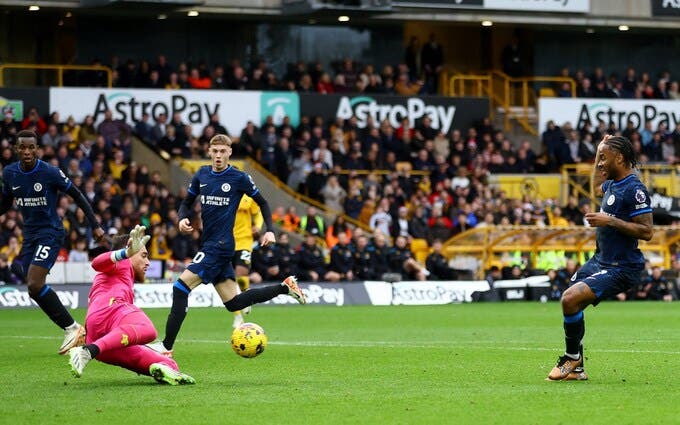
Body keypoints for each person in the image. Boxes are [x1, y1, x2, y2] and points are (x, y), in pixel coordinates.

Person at [148, 134, 306, 357]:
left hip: (219, 246)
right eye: (215, 151)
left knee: (180, 287)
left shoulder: (239, 178)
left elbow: (262, 202)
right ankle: (285, 287)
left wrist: (269, 229)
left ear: (230, 152)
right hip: (210, 243)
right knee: (233, 303)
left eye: (223, 151)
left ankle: (166, 347)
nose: (219, 156)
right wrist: (182, 218)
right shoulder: (202, 174)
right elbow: (186, 202)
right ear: (209, 152)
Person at [547, 135, 653, 381]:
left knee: (569, 298)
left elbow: (647, 232)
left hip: (622, 267)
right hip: (601, 260)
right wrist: (597, 151)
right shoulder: (612, 184)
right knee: (571, 302)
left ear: (620, 157)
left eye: (604, 158)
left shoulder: (634, 189)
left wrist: (610, 221)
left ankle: (572, 359)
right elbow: (596, 185)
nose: (600, 164)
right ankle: (578, 368)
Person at [0, 130, 105, 355]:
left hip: (51, 232)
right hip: (29, 236)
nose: (27, 152)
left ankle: (72, 329)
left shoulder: (49, 172)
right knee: (30, 285)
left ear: (37, 148)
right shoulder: (9, 173)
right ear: (16, 149)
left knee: (35, 284)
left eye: (31, 147)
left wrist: (94, 225)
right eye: (23, 147)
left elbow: (77, 195)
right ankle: (74, 328)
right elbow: (6, 202)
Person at [68, 226, 195, 385]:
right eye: (143, 256)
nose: (148, 262)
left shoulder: (122, 276)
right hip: (109, 313)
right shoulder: (123, 263)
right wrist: (125, 254)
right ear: (129, 251)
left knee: (169, 364)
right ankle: (88, 351)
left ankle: (161, 368)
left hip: (100, 338)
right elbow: (96, 263)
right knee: (147, 329)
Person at [231, 194, 263, 328]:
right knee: (228, 279)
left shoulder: (247, 197)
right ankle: (237, 316)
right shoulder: (222, 193)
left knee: (241, 274)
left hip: (244, 240)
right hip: (226, 241)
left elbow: (258, 213)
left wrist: (258, 226)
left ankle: (246, 296)